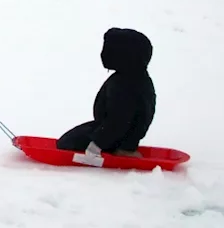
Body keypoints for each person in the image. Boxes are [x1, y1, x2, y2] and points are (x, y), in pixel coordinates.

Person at [56, 27, 156, 158]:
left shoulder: (125, 84)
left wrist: (98, 144)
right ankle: (123, 147)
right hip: (117, 132)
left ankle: (124, 152)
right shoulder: (136, 77)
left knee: (67, 143)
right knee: (71, 137)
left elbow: (120, 120)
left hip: (119, 136)